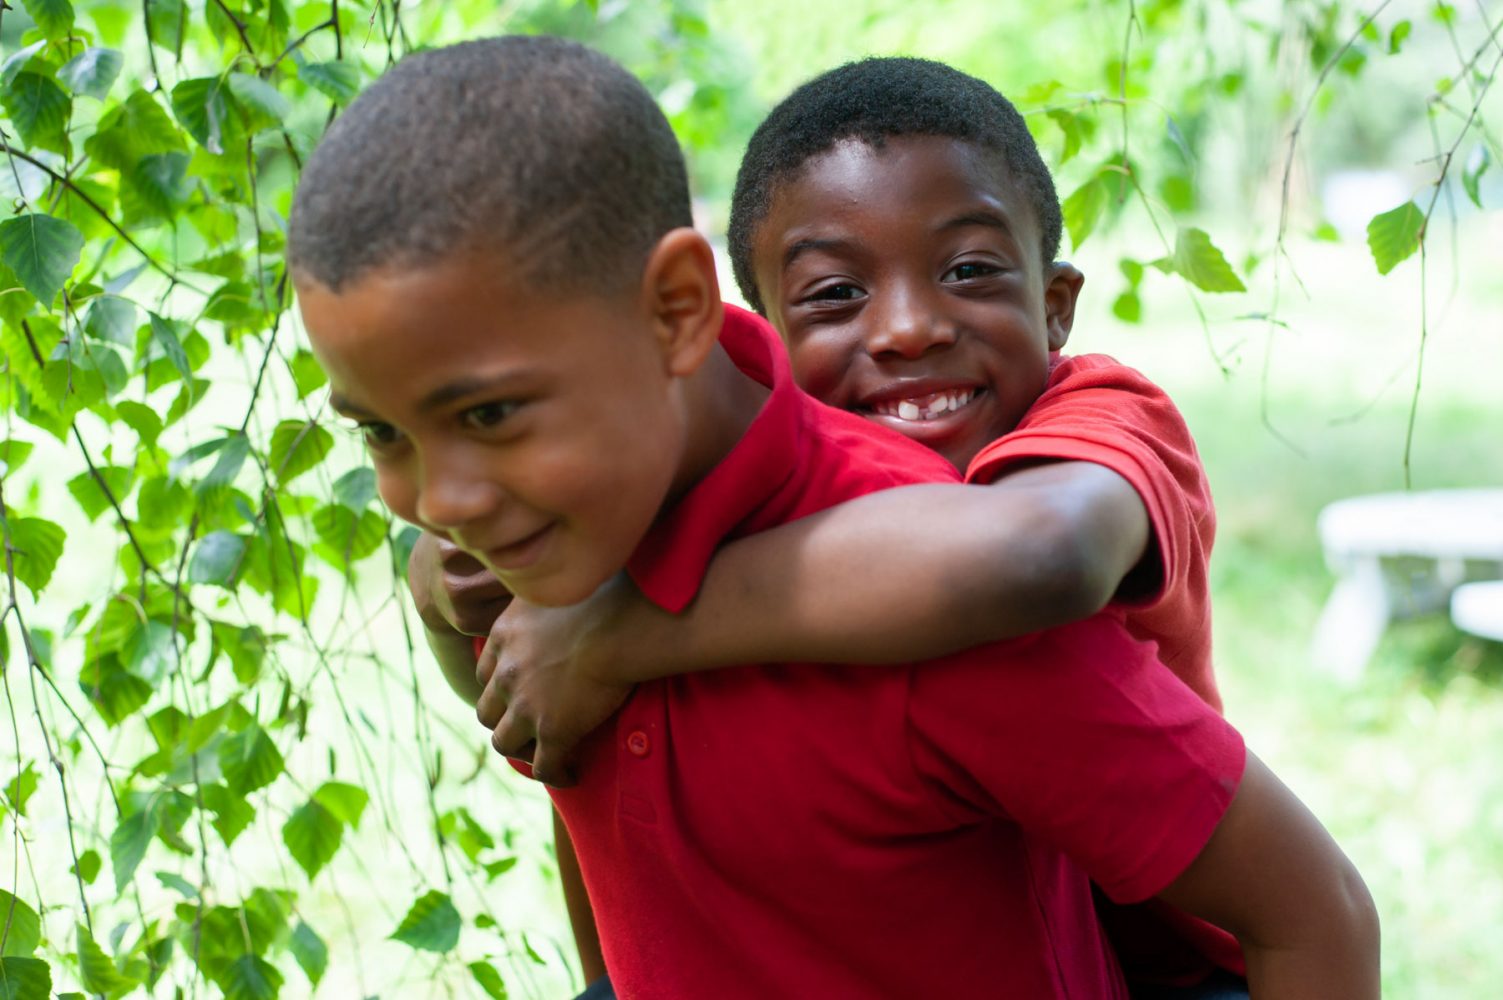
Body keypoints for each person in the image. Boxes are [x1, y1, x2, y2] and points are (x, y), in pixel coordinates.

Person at [291, 35, 1379, 999]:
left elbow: (1310, 909)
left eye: (487, 412)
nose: (442, 501)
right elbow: (577, 781)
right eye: (383, 436)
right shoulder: (566, 527)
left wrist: (626, 628)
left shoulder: (944, 596)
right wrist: (450, 606)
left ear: (677, 313)